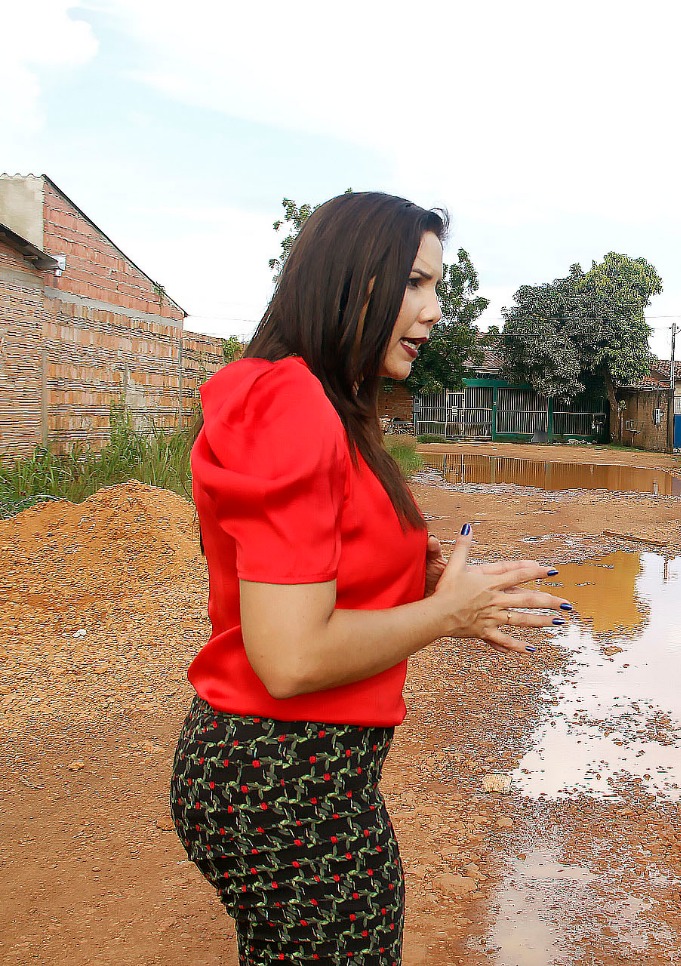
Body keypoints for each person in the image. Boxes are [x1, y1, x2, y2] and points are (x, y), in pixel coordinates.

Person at [170, 191, 571, 965]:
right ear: (351, 280)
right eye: (414, 284)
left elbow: (313, 560)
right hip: (285, 776)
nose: (432, 310)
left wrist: (415, 575)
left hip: (293, 774)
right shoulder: (296, 406)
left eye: (437, 289)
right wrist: (449, 614)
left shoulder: (321, 403)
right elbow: (289, 659)